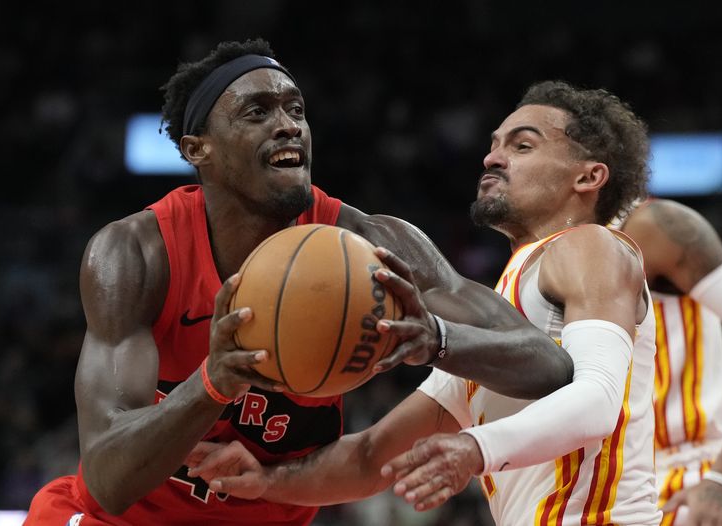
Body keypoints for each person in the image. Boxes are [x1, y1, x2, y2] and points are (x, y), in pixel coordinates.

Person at [23, 39, 574, 525]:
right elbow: (107, 481)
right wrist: (212, 382)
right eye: (257, 111)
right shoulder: (136, 254)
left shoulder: (372, 247)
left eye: (296, 109)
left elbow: (549, 366)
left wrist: (436, 338)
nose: (288, 124)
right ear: (198, 149)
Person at [186, 81, 662, 525]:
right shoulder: (507, 306)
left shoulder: (591, 246)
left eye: (522, 145)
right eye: (494, 144)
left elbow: (598, 401)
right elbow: (372, 456)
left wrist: (475, 448)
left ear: (589, 176)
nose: (492, 158)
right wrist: (265, 479)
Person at [612, 199, 722, 525]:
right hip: (622, 488)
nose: (494, 158)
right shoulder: (552, 252)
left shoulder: (648, 226)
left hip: (691, 481)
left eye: (522, 145)